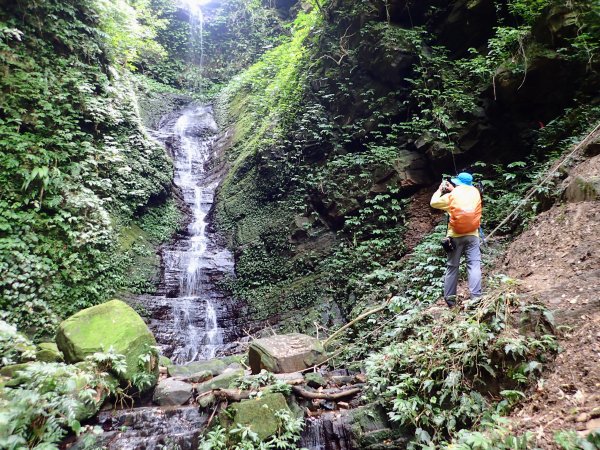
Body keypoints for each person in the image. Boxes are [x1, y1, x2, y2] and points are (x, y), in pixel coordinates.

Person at [430, 172, 482, 307]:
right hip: (473, 235)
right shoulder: (475, 192)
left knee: (452, 268)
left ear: (458, 183)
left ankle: (450, 301)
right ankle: (476, 298)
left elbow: (433, 203)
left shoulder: (451, 196)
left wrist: (440, 189)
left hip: (455, 236)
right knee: (474, 265)